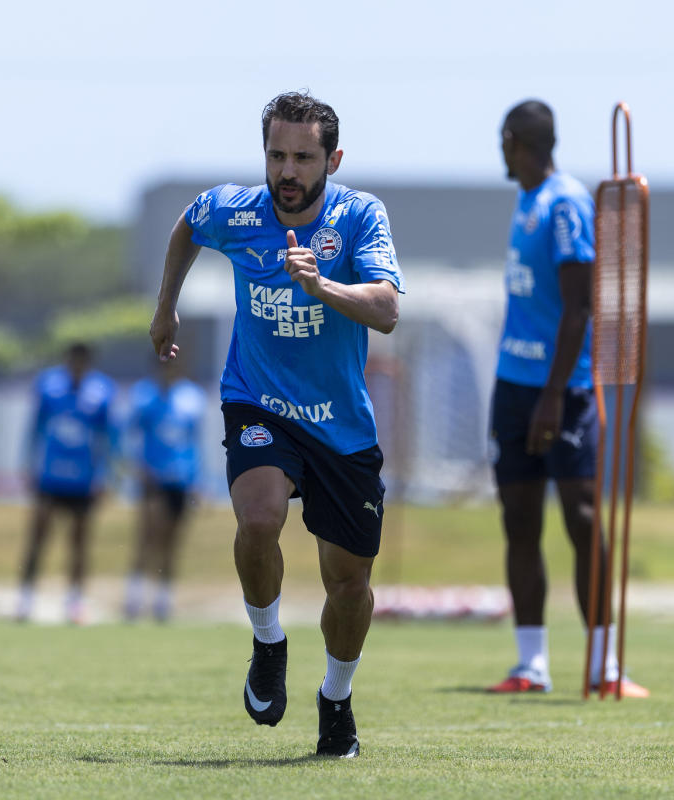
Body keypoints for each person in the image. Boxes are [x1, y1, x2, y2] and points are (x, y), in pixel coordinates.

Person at [149, 91, 403, 757]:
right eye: (277, 155)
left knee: (349, 586)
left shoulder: (359, 218)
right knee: (258, 519)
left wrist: (323, 287)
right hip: (257, 400)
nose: (287, 170)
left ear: (332, 159)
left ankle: (337, 698)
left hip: (341, 426)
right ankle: (267, 644)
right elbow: (186, 225)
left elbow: (385, 310)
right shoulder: (234, 209)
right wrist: (165, 307)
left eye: (303, 157)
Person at [486, 99, 647, 697]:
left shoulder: (565, 203)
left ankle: (605, 664)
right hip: (512, 385)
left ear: (517, 140)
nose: (499, 151)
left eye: (503, 141)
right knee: (519, 522)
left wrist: (554, 396)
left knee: (581, 518)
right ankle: (532, 665)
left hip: (565, 391)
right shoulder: (525, 199)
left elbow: (580, 306)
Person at [16, 342, 116, 625]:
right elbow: (35, 426)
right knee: (38, 535)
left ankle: (75, 601)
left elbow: (109, 437)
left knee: (79, 541)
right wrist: (28, 464)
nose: (77, 368)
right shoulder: (48, 385)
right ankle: (25, 597)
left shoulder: (102, 391)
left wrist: (104, 475)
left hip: (83, 478)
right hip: (50, 475)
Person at [123, 358, 207, 622]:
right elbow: (128, 434)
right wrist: (136, 468)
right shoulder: (144, 395)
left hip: (180, 479)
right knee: (148, 536)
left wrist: (197, 480)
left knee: (173, 540)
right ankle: (133, 598)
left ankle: (163, 600)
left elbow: (193, 442)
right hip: (153, 479)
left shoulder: (192, 398)